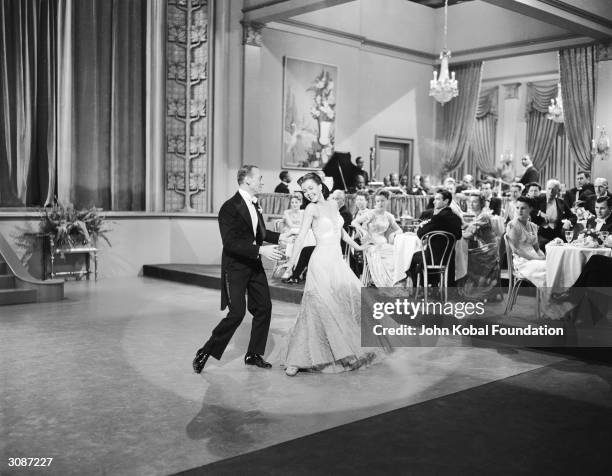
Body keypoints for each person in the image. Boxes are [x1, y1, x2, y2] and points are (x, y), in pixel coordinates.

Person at [280, 172, 385, 376]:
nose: (308, 193)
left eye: (311, 188)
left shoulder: (333, 204)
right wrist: (292, 262)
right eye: (305, 191)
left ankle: (338, 352)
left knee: (343, 303)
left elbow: (341, 232)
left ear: (320, 186)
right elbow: (301, 235)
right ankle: (297, 358)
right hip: (320, 262)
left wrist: (359, 247)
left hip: (337, 262)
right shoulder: (310, 208)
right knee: (317, 307)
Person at [192, 165, 283, 373]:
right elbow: (230, 243)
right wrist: (261, 250)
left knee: (264, 307)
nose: (262, 182)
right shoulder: (229, 207)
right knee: (237, 313)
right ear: (247, 180)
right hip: (236, 267)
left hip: (254, 265)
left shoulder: (255, 203)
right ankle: (205, 351)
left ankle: (253, 354)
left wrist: (280, 237)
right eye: (259, 178)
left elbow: (258, 232)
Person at [408, 189, 462, 287]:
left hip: (434, 257)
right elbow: (458, 236)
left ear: (446, 201)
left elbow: (420, 234)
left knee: (412, 258)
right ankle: (433, 285)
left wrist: (423, 225)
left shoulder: (438, 217)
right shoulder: (456, 218)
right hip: (448, 259)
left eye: (437, 199)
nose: (433, 201)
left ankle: (419, 289)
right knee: (420, 258)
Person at [351, 189, 401, 287]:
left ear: (387, 201)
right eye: (378, 201)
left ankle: (393, 283)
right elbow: (354, 222)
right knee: (380, 252)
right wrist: (364, 231)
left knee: (395, 252)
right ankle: (383, 283)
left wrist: (393, 234)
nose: (380, 203)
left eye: (382, 200)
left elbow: (399, 230)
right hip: (371, 244)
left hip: (384, 244)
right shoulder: (372, 213)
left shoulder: (388, 216)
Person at [459, 194, 501, 300]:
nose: (471, 204)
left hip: (489, 249)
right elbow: (468, 227)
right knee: (466, 253)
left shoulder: (484, 216)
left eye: (475, 202)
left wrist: (456, 232)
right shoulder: (479, 216)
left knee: (464, 256)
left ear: (481, 203)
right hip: (487, 247)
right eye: (471, 201)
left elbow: (468, 234)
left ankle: (473, 291)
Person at [505, 196, 546, 288]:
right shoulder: (513, 225)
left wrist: (542, 257)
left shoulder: (533, 226)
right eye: (517, 208)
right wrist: (535, 259)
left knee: (553, 266)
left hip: (534, 259)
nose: (519, 211)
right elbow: (516, 250)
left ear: (530, 209)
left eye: (523, 208)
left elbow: (537, 248)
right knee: (548, 269)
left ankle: (549, 296)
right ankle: (548, 298)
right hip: (522, 262)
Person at [532, 179, 576, 247]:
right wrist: (539, 213)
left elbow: (573, 216)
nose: (551, 192)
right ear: (546, 189)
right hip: (541, 233)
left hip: (557, 233)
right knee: (545, 245)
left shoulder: (561, 202)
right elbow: (530, 211)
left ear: (558, 191)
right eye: (549, 189)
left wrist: (569, 222)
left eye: (553, 189)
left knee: (567, 247)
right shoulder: (538, 200)